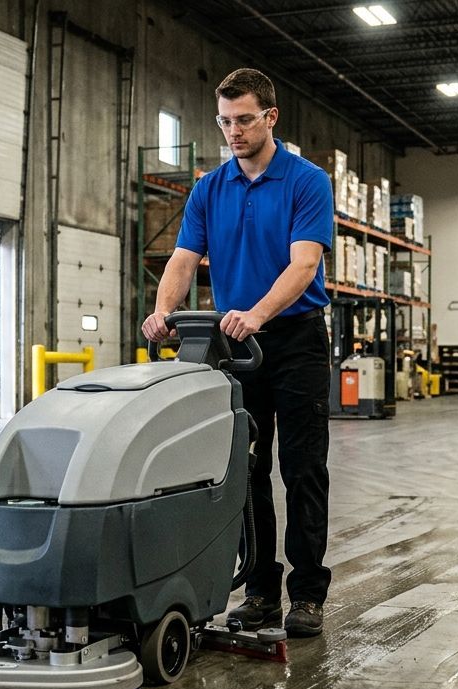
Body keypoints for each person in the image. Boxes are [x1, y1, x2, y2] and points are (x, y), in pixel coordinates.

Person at [141, 68, 333, 638]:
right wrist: (163, 310)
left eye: (245, 120)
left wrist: (258, 314)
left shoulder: (306, 181)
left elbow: (304, 264)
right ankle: (260, 591)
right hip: (236, 345)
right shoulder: (209, 189)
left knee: (302, 468)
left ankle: (307, 594)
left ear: (270, 117)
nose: (234, 132)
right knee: (245, 471)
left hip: (295, 341)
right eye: (225, 122)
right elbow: (183, 259)